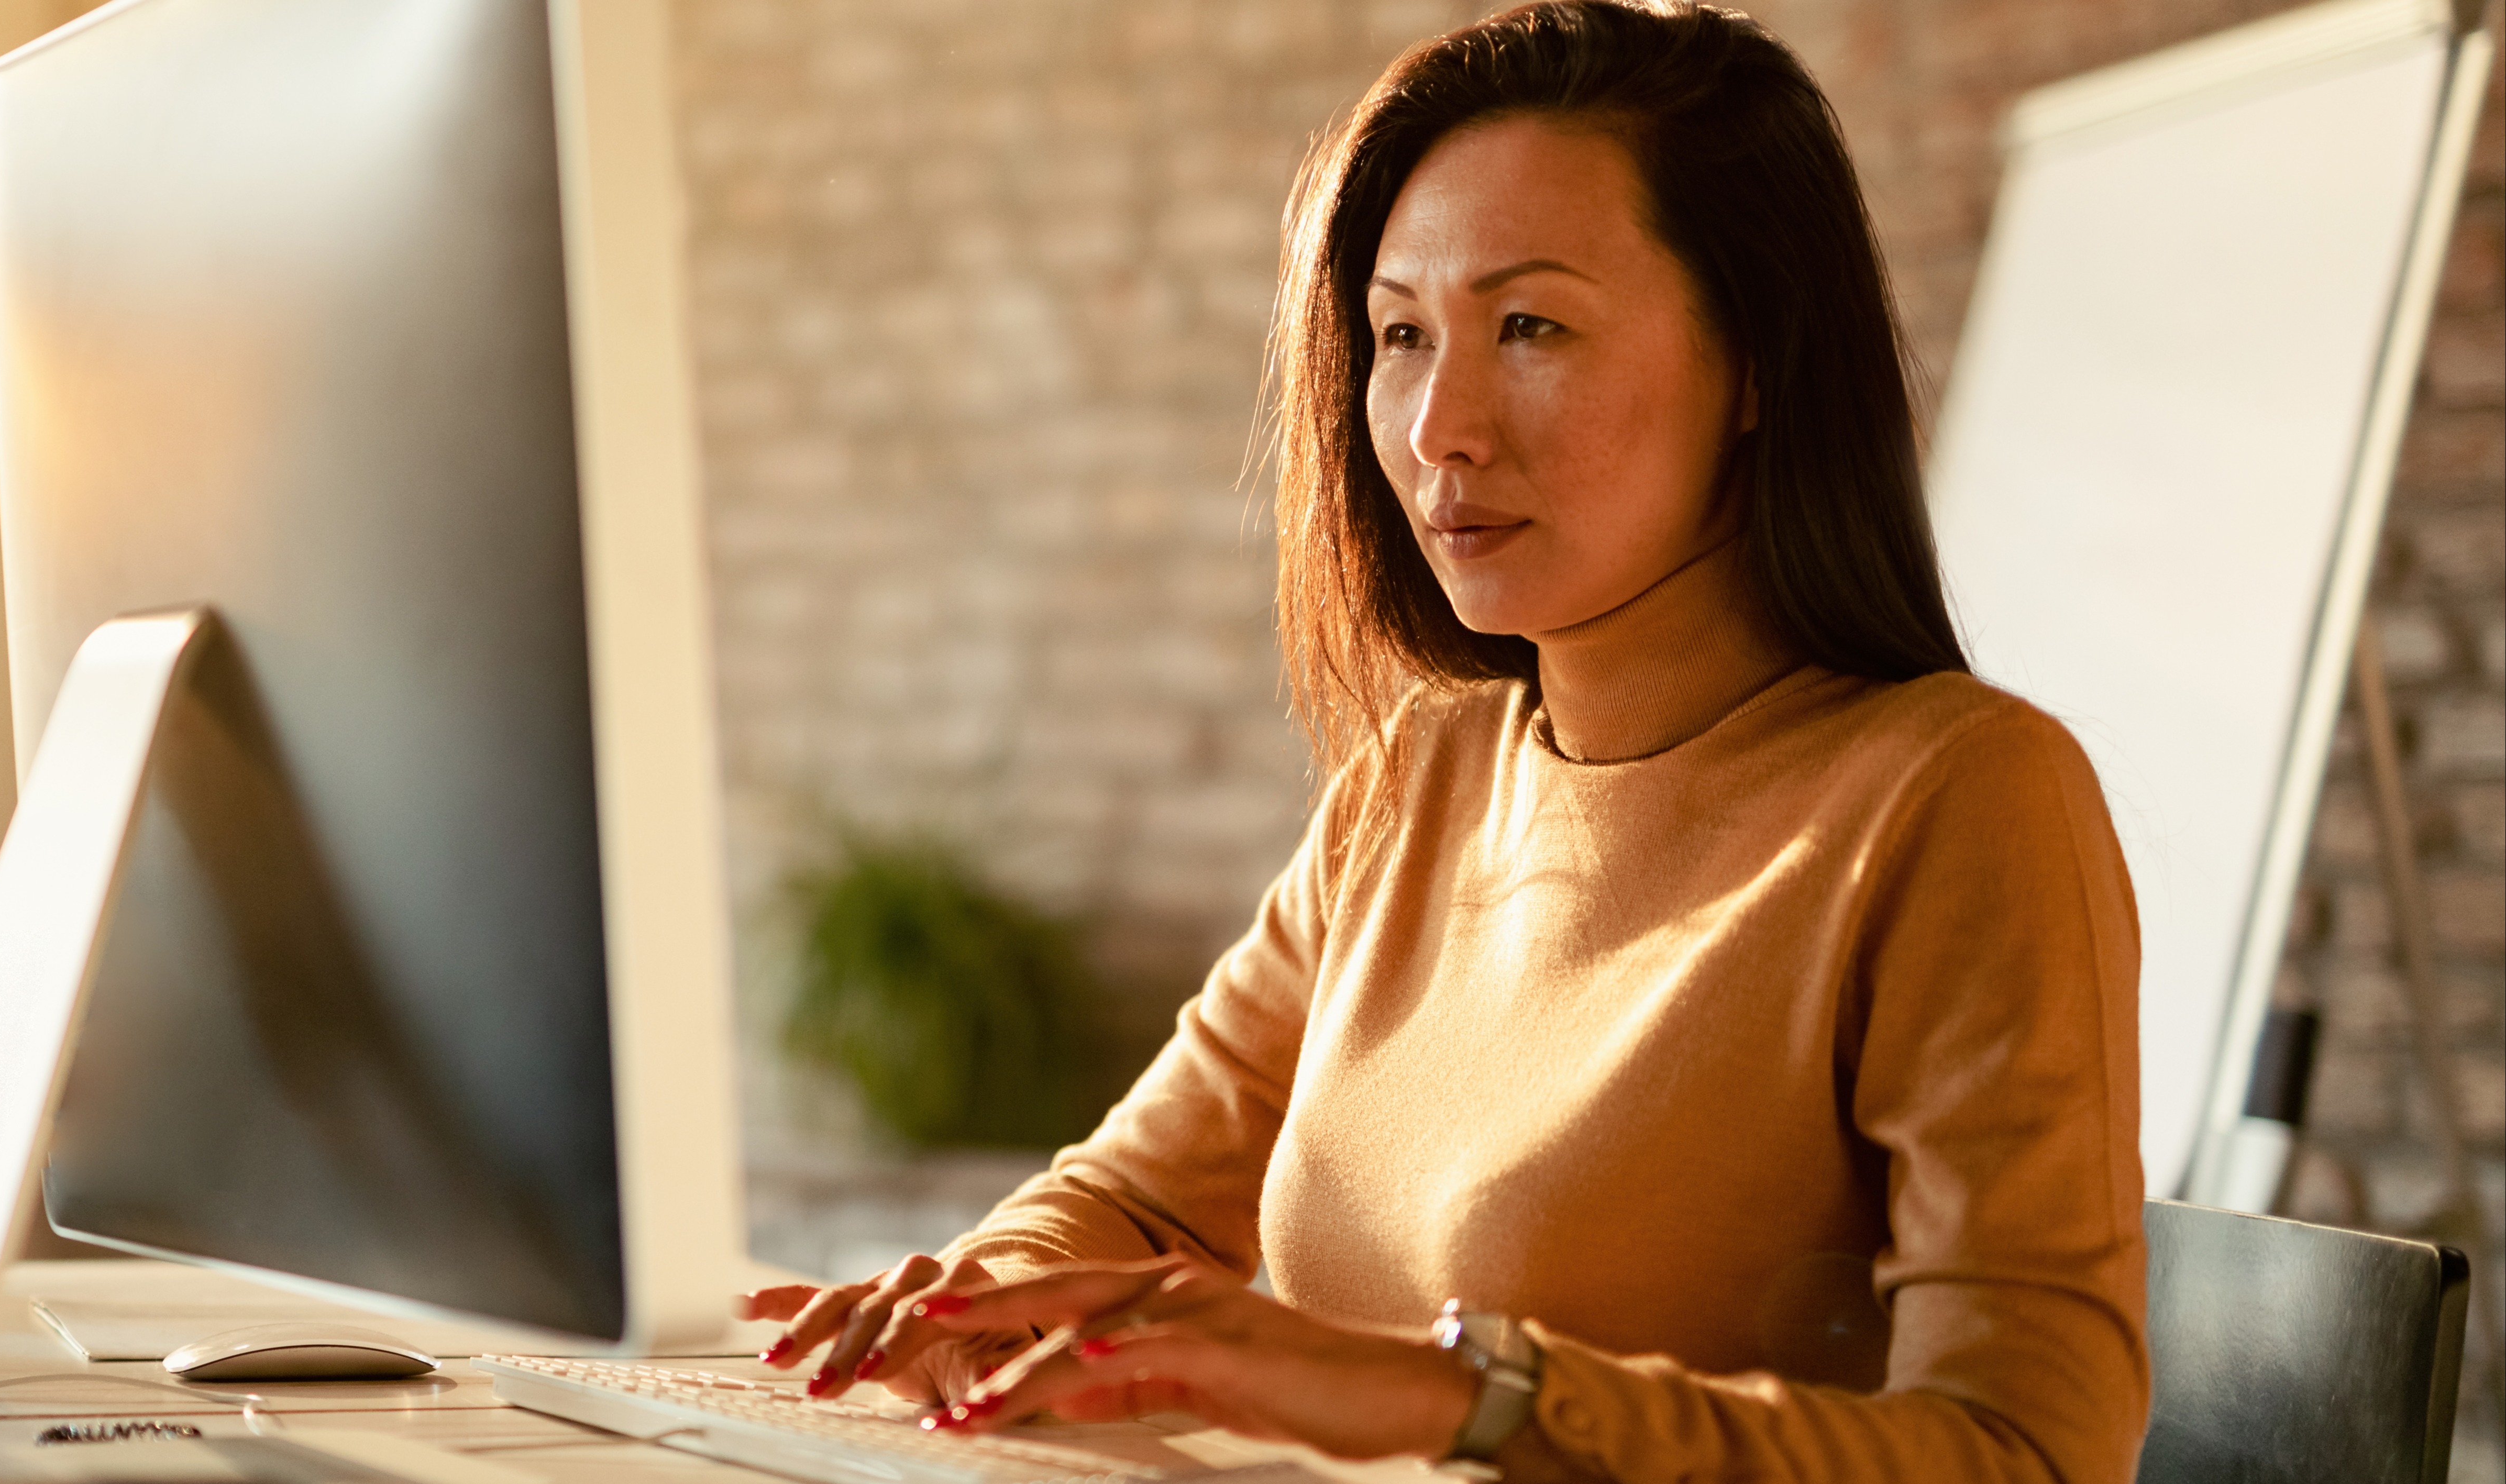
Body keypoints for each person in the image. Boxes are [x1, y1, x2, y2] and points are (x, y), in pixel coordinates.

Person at [738, 3, 2154, 1479]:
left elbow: (2030, 1451)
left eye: (1529, 325)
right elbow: (1133, 1202)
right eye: (1402, 335)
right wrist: (979, 1304)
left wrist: (1475, 1396)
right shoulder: (1421, 779)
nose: (1437, 429)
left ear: (1758, 364)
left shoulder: (1959, 799)